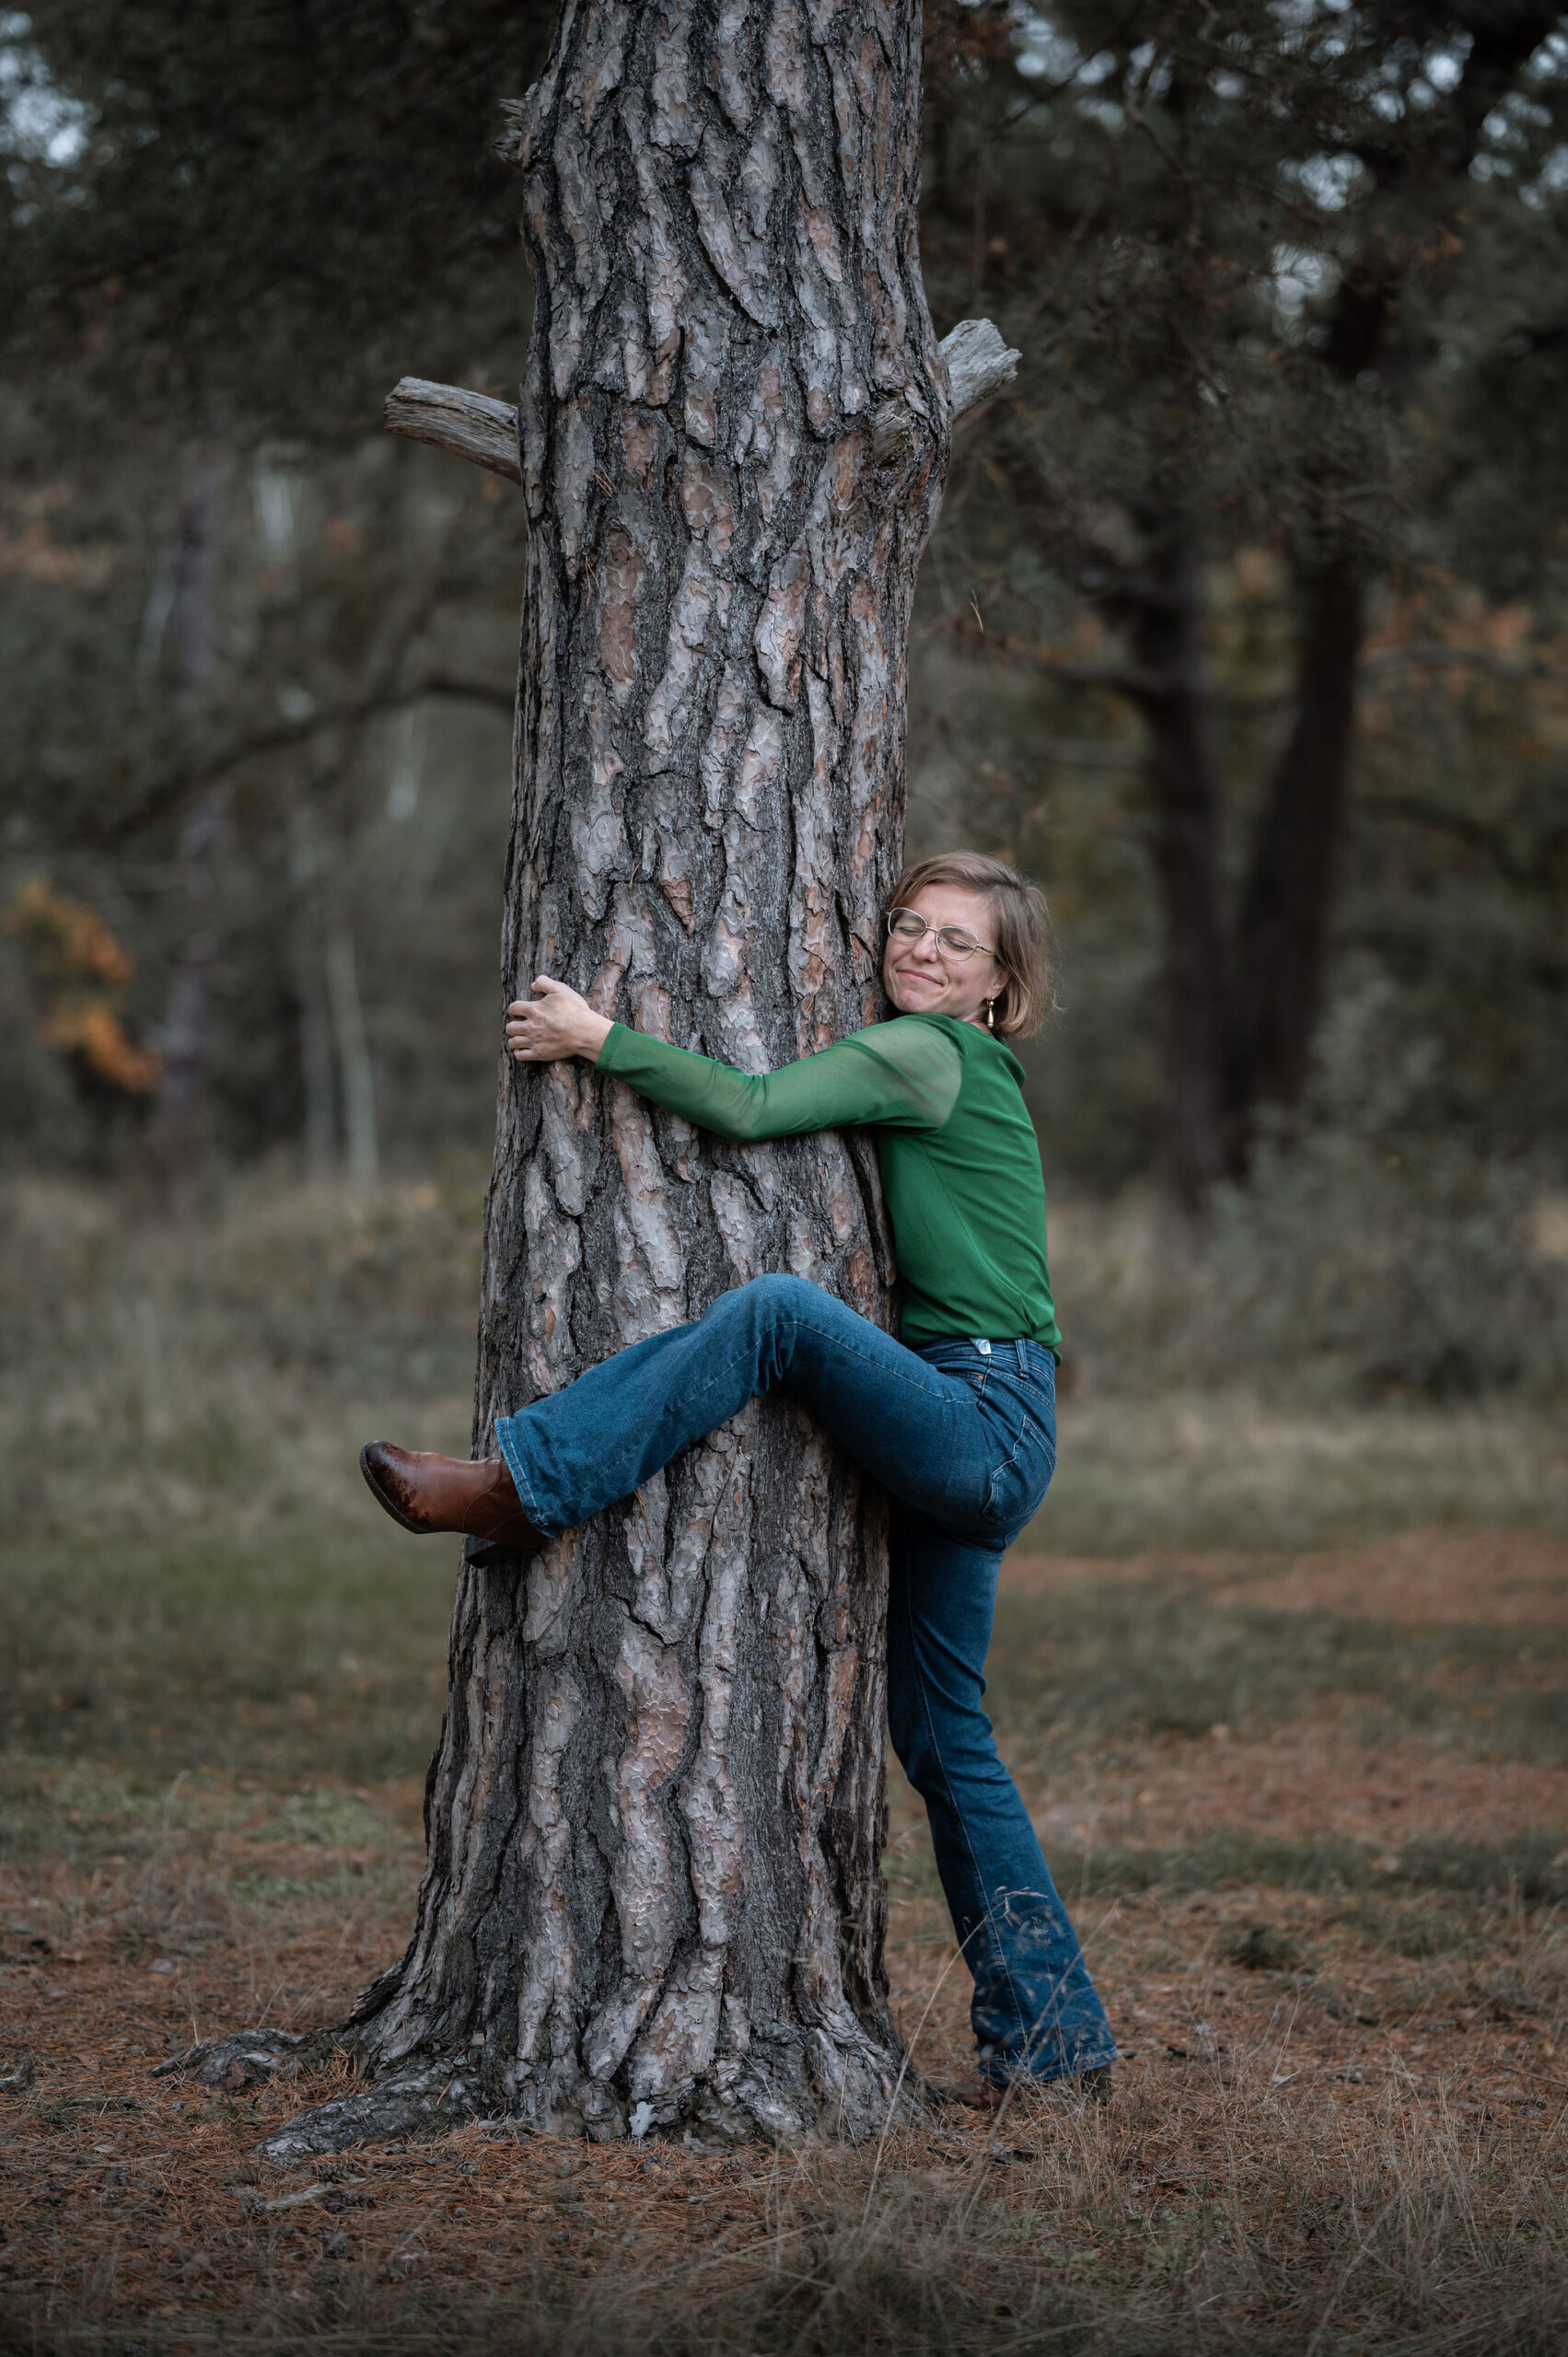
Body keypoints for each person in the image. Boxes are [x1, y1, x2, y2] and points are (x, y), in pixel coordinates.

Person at [360, 851, 1117, 2104]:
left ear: (999, 987)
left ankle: (526, 1480)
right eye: (908, 926)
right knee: (947, 1745)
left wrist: (600, 1036)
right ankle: (1055, 2043)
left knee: (776, 1309)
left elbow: (755, 1109)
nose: (920, 952)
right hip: (994, 1420)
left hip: (977, 1416)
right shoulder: (944, 1057)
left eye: (958, 944)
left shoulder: (932, 1053)